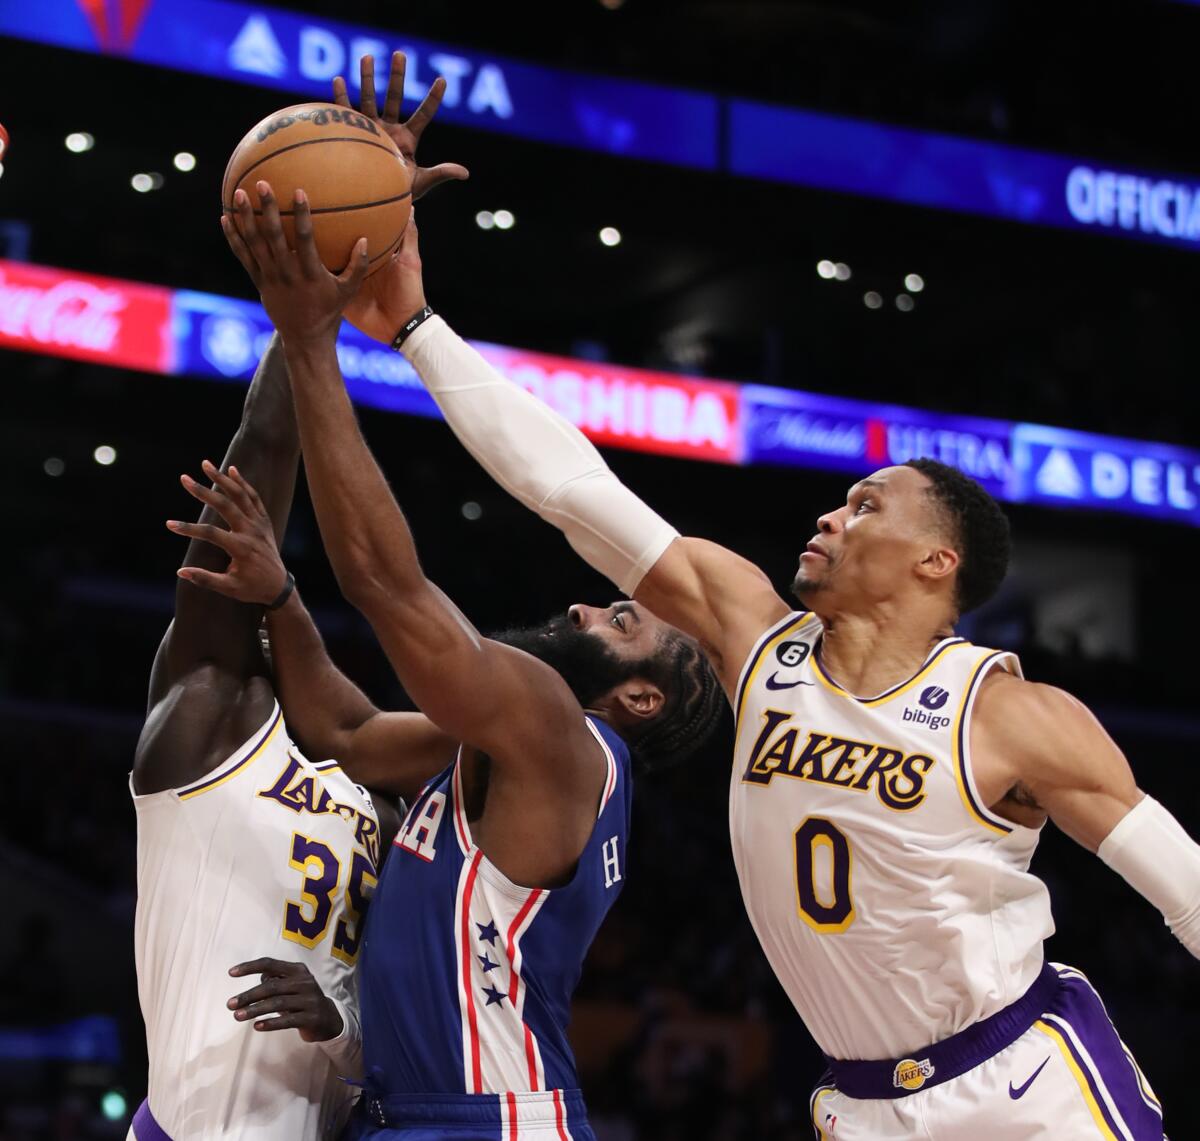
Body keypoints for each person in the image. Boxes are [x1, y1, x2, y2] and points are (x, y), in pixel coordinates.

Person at [335, 211, 1200, 1139]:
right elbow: (571, 489)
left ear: (935, 562)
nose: (830, 516)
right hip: (860, 1103)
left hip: (1022, 1087)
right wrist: (417, 330)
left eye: (866, 506)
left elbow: (1186, 888)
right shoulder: (757, 641)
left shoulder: (1013, 713)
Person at [202, 179, 723, 1141]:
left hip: (489, 1121)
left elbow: (388, 587)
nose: (583, 605)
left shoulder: (561, 735)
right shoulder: (512, 748)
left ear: (641, 696)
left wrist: (315, 345)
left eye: (619, 621)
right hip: (428, 1113)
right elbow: (348, 733)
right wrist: (280, 597)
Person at [130, 55, 464, 1141]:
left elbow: (391, 1022)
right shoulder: (205, 719)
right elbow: (264, 447)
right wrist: (327, 271)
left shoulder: (373, 794)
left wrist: (340, 1018)